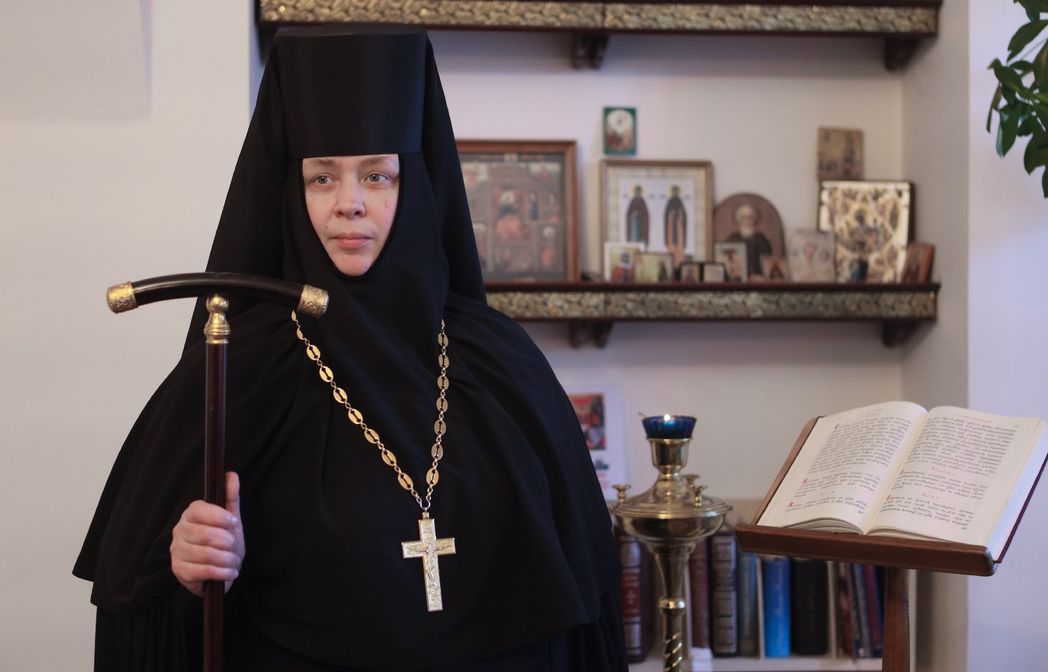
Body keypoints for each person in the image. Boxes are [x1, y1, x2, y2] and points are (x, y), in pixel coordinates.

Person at [74, 28, 625, 671]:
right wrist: (192, 571)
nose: (349, 205)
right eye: (321, 178)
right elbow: (142, 604)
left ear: (415, 186)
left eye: (377, 175)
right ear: (290, 191)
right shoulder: (233, 369)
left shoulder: (504, 363)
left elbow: (580, 603)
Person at [726, 203, 773, 279]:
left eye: (750, 218)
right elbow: (727, 261)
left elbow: (767, 261)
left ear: (755, 220)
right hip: (737, 278)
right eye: (743, 218)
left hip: (758, 278)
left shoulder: (761, 238)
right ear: (739, 220)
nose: (747, 221)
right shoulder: (733, 238)